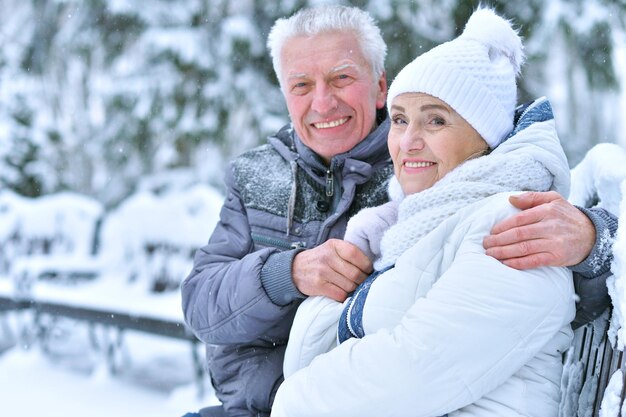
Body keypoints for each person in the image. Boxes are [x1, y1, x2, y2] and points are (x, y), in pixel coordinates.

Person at [181, 5, 617, 417]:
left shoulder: (426, 172)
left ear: (380, 87)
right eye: (301, 85)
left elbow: (538, 220)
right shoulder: (260, 175)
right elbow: (202, 306)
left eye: (341, 78)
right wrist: (287, 274)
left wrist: (594, 237)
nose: (323, 102)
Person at [273, 7, 574, 416]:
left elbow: (406, 378)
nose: (408, 141)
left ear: (485, 136)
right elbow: (312, 355)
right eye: (399, 120)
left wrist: (291, 399)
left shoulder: (516, 225)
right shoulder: (403, 229)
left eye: (435, 121)